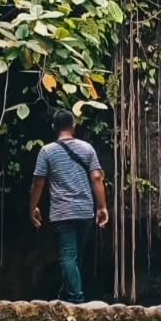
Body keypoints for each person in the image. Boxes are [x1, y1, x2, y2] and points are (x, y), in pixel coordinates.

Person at [29, 109, 109, 303]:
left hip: (63, 212)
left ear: (54, 128)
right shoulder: (87, 149)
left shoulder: (47, 151)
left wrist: (33, 207)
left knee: (69, 256)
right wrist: (102, 207)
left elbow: (38, 181)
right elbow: (97, 177)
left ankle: (76, 299)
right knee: (75, 256)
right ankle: (67, 295)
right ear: (74, 126)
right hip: (84, 211)